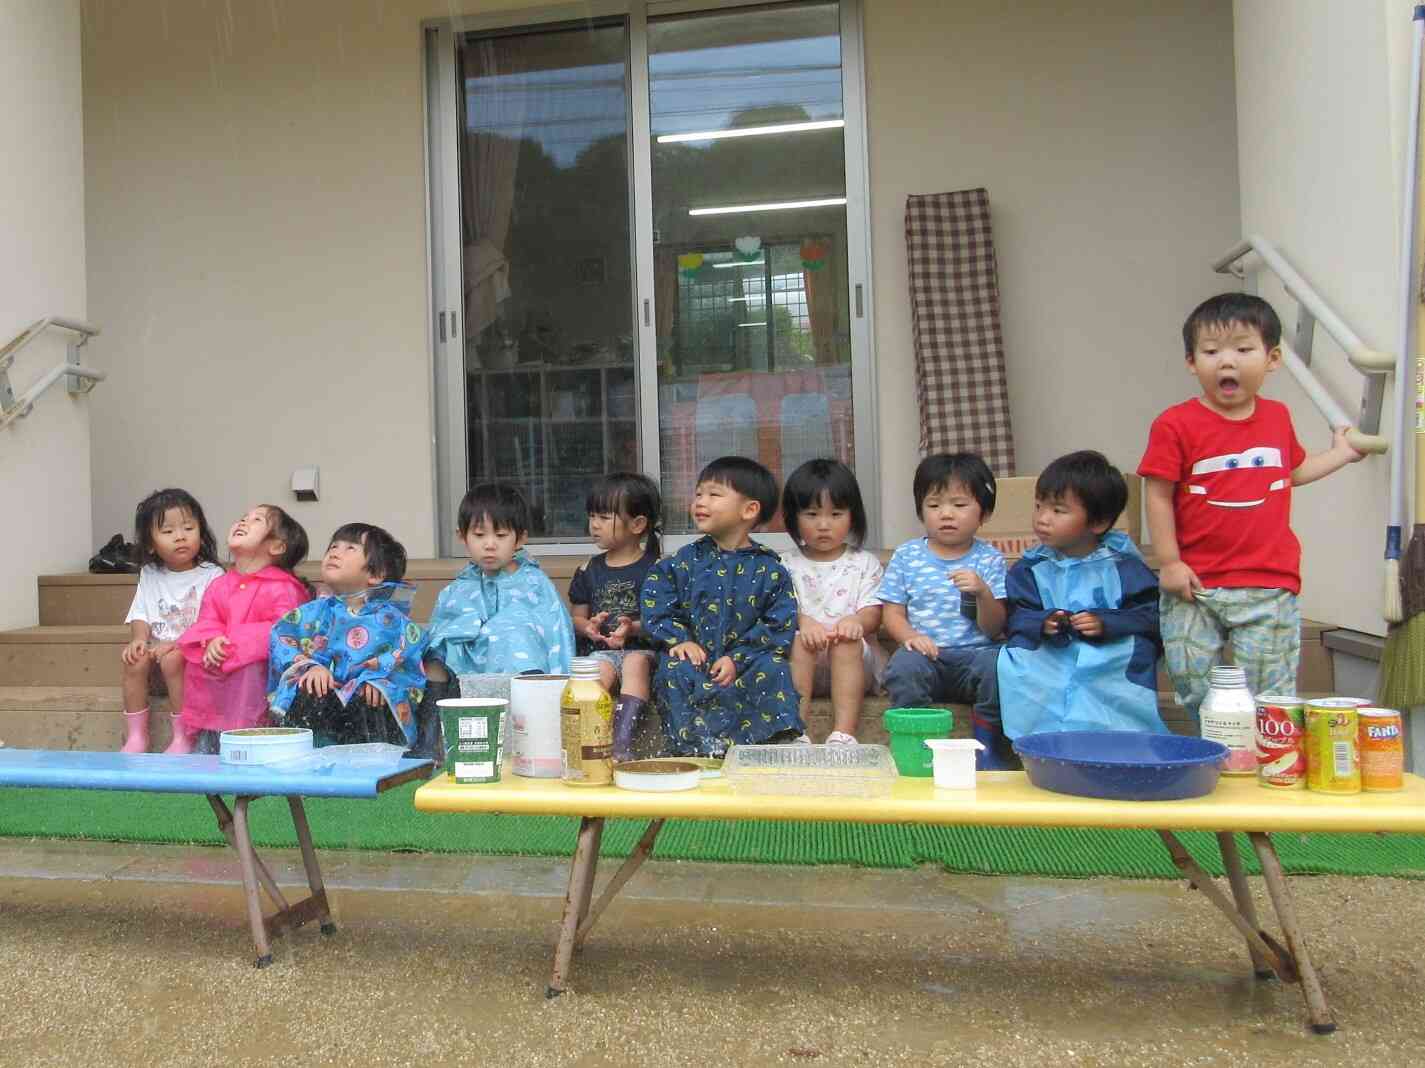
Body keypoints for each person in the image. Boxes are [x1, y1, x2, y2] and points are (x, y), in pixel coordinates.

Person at [1138, 293, 1364, 719]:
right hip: (1196, 583)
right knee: (1190, 678)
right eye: (1211, 351)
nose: (1227, 361)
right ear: (1191, 362)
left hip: (1268, 579)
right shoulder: (1175, 424)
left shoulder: (1278, 417)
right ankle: (1219, 746)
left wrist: (1342, 454)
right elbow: (1157, 493)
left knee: (1268, 688)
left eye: (1243, 349)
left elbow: (1290, 471)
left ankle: (1266, 756)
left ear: (1272, 358)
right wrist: (1168, 562)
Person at [993, 451, 1163, 740]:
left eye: (1058, 511)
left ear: (1098, 522)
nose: (1042, 519)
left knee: (1130, 654)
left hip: (1110, 655)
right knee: (1018, 661)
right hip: (1050, 653)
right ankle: (1041, 743)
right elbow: (1015, 615)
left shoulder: (1124, 566)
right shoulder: (1029, 568)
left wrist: (1106, 623)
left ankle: (1121, 742)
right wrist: (1043, 622)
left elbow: (1151, 615)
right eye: (1038, 506)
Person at [642, 456, 803, 756]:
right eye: (699, 493)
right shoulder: (683, 562)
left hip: (746, 663)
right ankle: (694, 748)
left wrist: (739, 659)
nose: (701, 501)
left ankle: (772, 743)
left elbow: (779, 624)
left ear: (749, 510)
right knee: (673, 669)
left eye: (714, 494)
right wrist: (680, 640)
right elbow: (657, 603)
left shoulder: (770, 570)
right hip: (696, 660)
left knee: (775, 667)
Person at [268, 523, 448, 758]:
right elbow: (282, 638)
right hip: (321, 703)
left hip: (369, 710)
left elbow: (409, 664)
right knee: (309, 686)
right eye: (333, 546)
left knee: (376, 694)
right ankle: (307, 759)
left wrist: (381, 682)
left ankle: (380, 763)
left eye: (349, 548)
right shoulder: (313, 612)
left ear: (375, 574)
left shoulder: (393, 622)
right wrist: (309, 666)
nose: (334, 552)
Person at [877, 453, 1008, 765]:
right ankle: (919, 744)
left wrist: (983, 593)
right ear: (921, 510)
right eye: (934, 505)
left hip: (976, 655)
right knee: (903, 668)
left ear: (984, 513)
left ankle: (989, 747)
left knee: (1000, 665)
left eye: (959, 505)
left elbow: (994, 627)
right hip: (926, 656)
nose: (946, 514)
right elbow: (892, 614)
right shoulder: (907, 556)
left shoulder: (989, 559)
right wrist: (909, 638)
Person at [171, 505, 310, 754]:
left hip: (257, 671)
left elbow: (284, 630)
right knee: (197, 661)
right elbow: (208, 619)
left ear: (277, 546)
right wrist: (212, 639)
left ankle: (247, 737)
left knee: (249, 667)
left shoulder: (285, 587)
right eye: (242, 517)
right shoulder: (220, 584)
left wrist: (233, 642)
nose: (244, 522)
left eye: (256, 520)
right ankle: (206, 736)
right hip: (223, 660)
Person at [779, 458, 886, 744]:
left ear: (853, 516)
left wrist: (856, 622)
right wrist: (803, 621)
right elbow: (776, 612)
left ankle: (844, 734)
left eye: (836, 514)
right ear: (793, 517)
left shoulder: (863, 563)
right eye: (812, 514)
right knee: (799, 641)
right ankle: (796, 733)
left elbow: (874, 613)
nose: (824, 525)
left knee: (847, 643)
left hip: (854, 665)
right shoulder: (783, 565)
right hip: (801, 660)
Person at [425, 483, 575, 683]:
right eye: (479, 535)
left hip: (524, 678)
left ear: (520, 539)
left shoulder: (533, 582)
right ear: (462, 536)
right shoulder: (458, 587)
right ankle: (437, 707)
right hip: (466, 677)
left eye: (501, 535)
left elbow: (555, 633)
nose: (489, 545)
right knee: (433, 648)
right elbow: (441, 629)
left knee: (515, 636)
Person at [119, 488, 224, 753]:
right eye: (168, 532)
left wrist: (178, 643)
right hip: (157, 649)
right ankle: (136, 736)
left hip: (194, 653)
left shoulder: (212, 574)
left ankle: (183, 735)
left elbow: (211, 620)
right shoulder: (150, 573)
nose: (180, 537)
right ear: (151, 544)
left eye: (188, 528)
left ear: (201, 532)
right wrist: (139, 640)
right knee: (135, 659)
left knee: (173, 658)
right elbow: (141, 613)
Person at [568, 473, 663, 761]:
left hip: (643, 651)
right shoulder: (588, 569)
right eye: (591, 516)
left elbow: (663, 620)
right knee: (597, 672)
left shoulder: (657, 568)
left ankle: (622, 741)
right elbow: (577, 617)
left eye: (603, 516)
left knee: (634, 663)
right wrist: (589, 628)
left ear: (637, 524)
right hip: (602, 652)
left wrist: (632, 628)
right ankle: (588, 741)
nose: (593, 524)